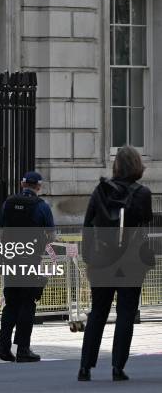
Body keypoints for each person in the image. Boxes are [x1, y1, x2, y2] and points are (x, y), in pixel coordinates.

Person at [78, 145, 152, 382]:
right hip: (131, 261)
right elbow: (146, 221)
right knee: (126, 313)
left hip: (102, 260)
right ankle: (118, 367)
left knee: (98, 313)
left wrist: (88, 257)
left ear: (116, 166)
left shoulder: (100, 191)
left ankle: (85, 367)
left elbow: (88, 226)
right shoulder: (143, 193)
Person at [0, 171, 55, 363]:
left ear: (22, 184)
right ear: (38, 186)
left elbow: (2, 231)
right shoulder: (41, 207)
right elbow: (51, 235)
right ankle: (23, 349)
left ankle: (3, 347)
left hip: (11, 259)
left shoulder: (8, 203)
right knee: (27, 303)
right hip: (30, 260)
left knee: (11, 303)